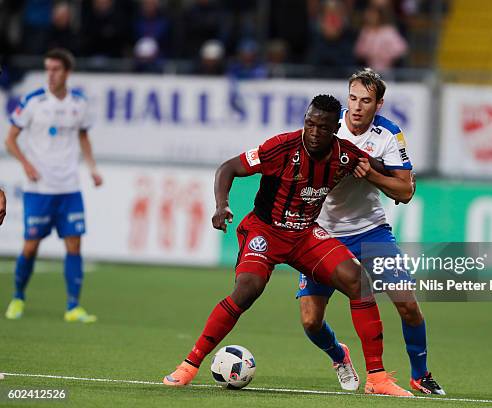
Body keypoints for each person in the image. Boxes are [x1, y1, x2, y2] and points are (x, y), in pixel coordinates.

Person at [162, 94, 413, 397]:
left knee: (358, 282)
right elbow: (228, 168)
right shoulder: (280, 147)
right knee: (247, 290)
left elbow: (392, 178)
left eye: (323, 127)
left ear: (336, 128)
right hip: (265, 232)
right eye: (310, 123)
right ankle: (189, 364)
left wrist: (392, 183)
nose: (314, 132)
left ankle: (378, 377)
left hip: (305, 235)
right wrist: (221, 206)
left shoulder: (345, 154)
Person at [296, 69, 445, 395]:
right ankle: (339, 354)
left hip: (370, 231)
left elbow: (404, 191)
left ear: (379, 104)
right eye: (353, 99)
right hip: (322, 233)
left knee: (407, 304)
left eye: (366, 100)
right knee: (310, 321)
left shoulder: (388, 135)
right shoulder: (327, 129)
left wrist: (370, 174)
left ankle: (420, 374)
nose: (358, 107)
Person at [4, 48, 103, 322]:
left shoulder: (79, 103)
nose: (50, 74)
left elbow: (83, 137)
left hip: (69, 188)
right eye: (47, 68)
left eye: (56, 69)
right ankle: (18, 298)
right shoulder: (33, 102)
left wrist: (93, 168)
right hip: (39, 190)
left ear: (67, 72)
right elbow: (10, 139)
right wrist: (25, 163)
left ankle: (73, 307)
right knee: (30, 246)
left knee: (74, 246)